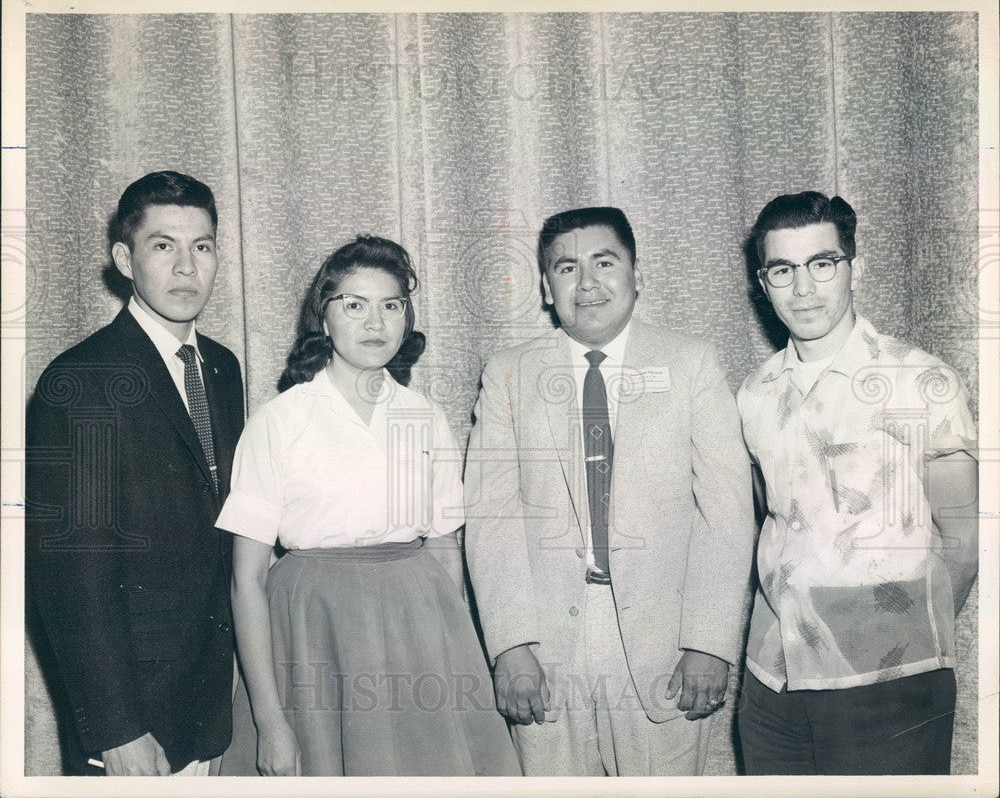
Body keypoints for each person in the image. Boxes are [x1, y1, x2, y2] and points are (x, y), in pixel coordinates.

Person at [464, 207, 755, 776]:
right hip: (545, 640)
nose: (588, 282)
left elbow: (726, 513)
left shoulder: (692, 363)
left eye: (605, 261)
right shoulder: (508, 373)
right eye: (567, 268)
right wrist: (510, 645)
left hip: (666, 642)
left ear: (636, 274)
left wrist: (709, 641)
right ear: (547, 288)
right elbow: (491, 516)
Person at [217, 235, 521, 777]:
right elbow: (247, 581)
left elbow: (446, 550)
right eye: (354, 305)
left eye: (391, 305)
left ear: (407, 318)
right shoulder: (281, 421)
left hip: (417, 636)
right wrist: (270, 720)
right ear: (324, 319)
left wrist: (438, 656)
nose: (375, 322)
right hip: (312, 636)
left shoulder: (423, 417)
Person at [736, 191, 979, 775]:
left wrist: (892, 629)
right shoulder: (753, 394)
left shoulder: (921, 380)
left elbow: (965, 545)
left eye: (822, 264)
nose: (803, 288)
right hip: (771, 680)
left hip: (888, 683)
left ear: (855, 268)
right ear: (763, 284)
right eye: (783, 270)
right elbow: (773, 522)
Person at [26, 171, 245, 776]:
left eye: (201, 246)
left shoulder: (222, 370)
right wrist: (115, 728)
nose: (185, 268)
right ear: (124, 259)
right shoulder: (80, 381)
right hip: (132, 720)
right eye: (162, 245)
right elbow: (71, 575)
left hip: (209, 708)